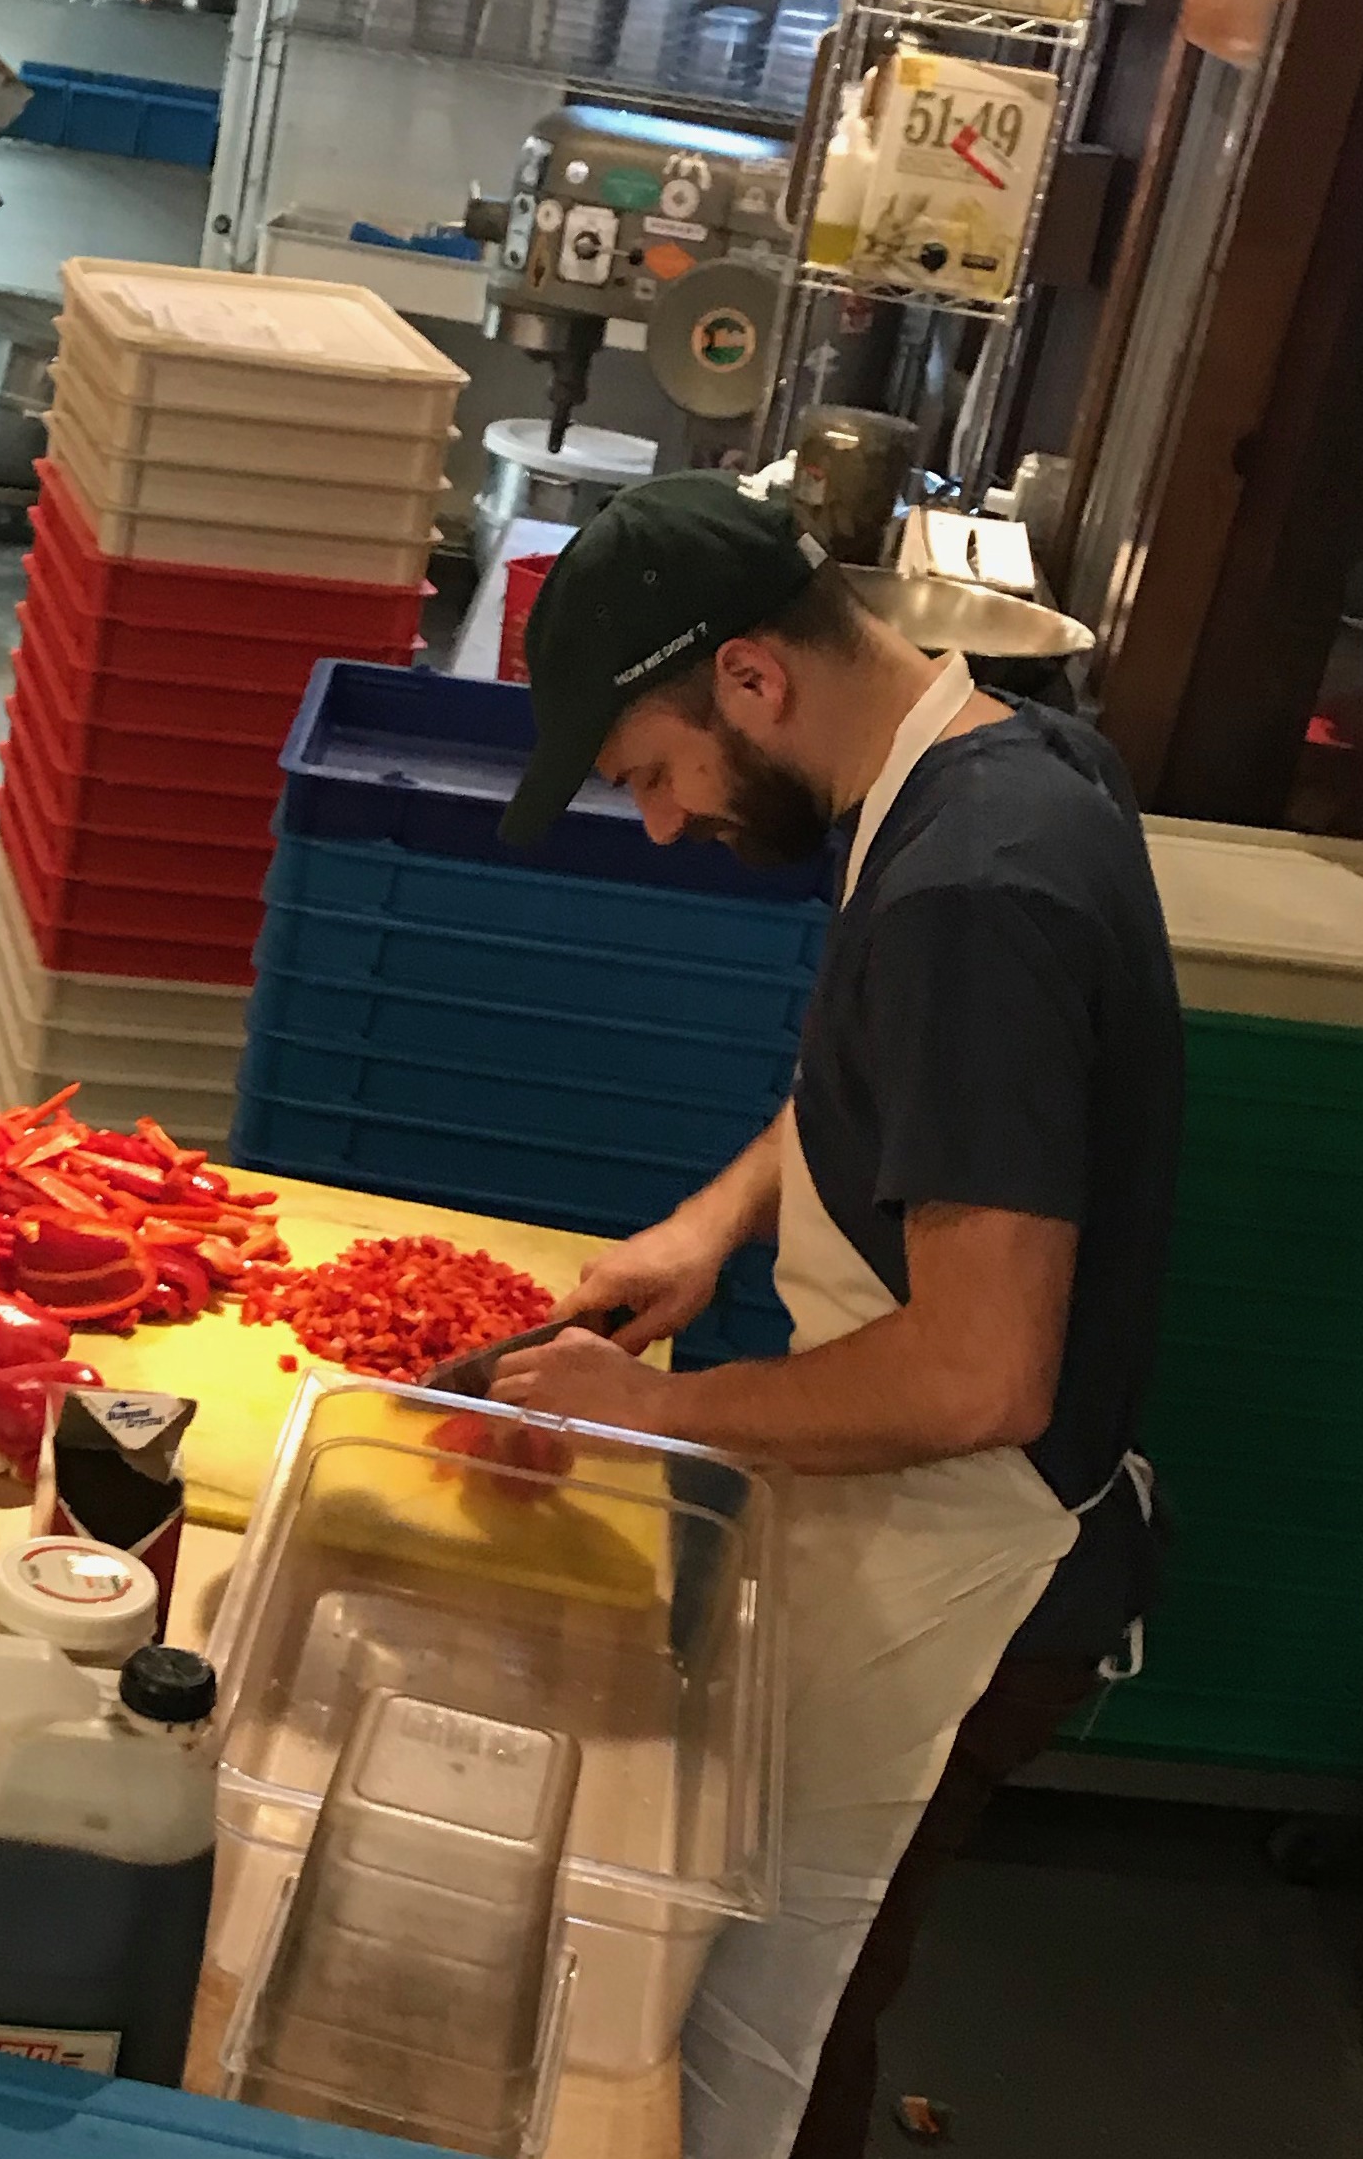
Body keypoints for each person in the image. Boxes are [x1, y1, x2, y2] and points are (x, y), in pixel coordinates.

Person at [477, 473, 1177, 2159]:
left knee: (789, 2028)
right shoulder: (990, 761)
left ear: (749, 680)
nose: (653, 822)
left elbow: (977, 1365)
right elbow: (874, 1094)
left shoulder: (968, 897)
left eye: (650, 770)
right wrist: (706, 1226)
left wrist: (640, 1414)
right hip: (931, 1519)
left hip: (976, 1568)